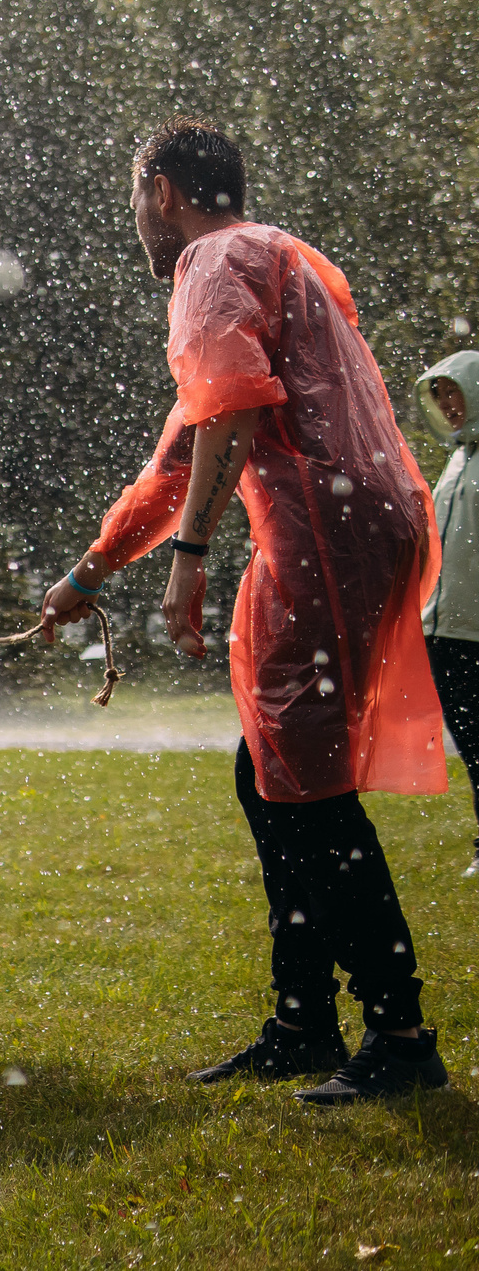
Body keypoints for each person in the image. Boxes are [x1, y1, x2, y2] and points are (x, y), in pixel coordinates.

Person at [42, 117, 449, 1104]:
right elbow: (180, 454)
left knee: (304, 788)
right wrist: (91, 572)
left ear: (165, 191)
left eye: (137, 200)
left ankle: (398, 1035)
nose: (136, 223)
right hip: (371, 517)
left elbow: (225, 407)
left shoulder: (210, 263)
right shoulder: (277, 258)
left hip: (325, 528)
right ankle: (302, 1020)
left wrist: (190, 556)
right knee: (265, 772)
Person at [418, 352, 479, 875]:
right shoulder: (459, 458)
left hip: (475, 630)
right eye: (439, 395)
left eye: (453, 391)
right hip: (445, 629)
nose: (446, 404)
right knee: (474, 747)